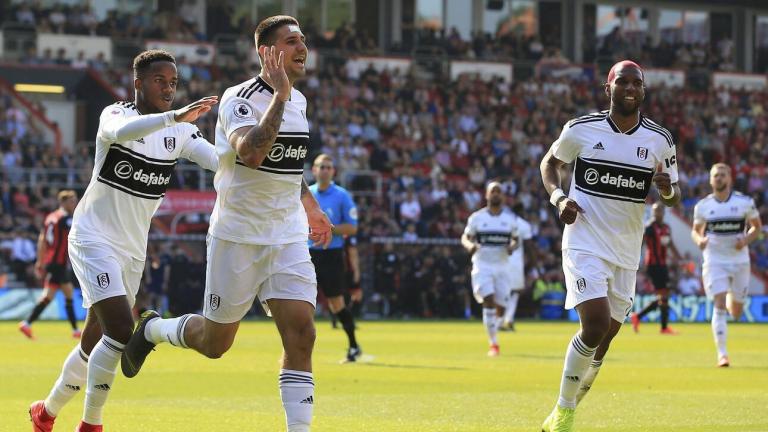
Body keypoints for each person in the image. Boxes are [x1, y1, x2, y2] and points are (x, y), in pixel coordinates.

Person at [120, 16, 332, 432]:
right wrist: (280, 95)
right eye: (291, 41)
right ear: (266, 52)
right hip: (238, 236)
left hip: (286, 236)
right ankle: (153, 330)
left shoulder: (300, 101)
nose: (302, 48)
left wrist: (309, 204)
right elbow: (252, 153)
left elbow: (288, 164)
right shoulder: (240, 99)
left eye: (303, 40)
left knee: (302, 333)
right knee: (215, 344)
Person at [28, 49, 219, 432]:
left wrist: (251, 158)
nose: (168, 89)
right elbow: (121, 134)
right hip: (93, 238)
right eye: (159, 81)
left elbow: (219, 162)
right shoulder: (116, 115)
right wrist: (174, 116)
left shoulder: (181, 132)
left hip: (132, 249)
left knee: (93, 340)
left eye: (173, 83)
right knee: (119, 330)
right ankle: (91, 425)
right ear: (138, 83)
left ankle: (45, 413)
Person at [539, 60, 680, 431]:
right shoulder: (581, 129)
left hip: (626, 251)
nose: (630, 88)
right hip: (584, 241)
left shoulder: (660, 140)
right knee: (596, 323)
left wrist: (666, 190)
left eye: (637, 83)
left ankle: (566, 407)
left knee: (606, 337)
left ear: (643, 90)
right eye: (623, 82)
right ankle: (564, 412)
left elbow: (673, 197)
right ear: (608, 88)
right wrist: (559, 198)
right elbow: (549, 164)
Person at [691, 163, 762, 367]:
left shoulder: (744, 202)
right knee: (719, 304)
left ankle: (733, 295)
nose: (719, 178)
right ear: (710, 180)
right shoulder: (703, 206)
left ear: (730, 178)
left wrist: (745, 240)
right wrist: (699, 240)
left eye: (723, 175)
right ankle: (722, 354)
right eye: (716, 175)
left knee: (736, 312)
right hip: (714, 260)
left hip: (739, 260)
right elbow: (695, 231)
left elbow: (757, 227)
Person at [308, 153, 361, 362]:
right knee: (301, 302)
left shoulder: (342, 195)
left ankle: (353, 346)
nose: (325, 170)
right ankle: (297, 350)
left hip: (332, 255)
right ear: (314, 170)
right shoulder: (307, 194)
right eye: (321, 167)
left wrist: (328, 229)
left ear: (334, 172)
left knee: (336, 303)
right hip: (308, 254)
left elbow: (352, 228)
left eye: (328, 167)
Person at [460, 181, 519, 357]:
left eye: (499, 191)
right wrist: (470, 246)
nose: (496, 194)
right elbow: (465, 237)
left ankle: (495, 325)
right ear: (486, 195)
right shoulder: (477, 218)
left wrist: (512, 246)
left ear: (503, 196)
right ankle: (493, 344)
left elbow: (516, 239)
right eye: (493, 191)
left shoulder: (509, 219)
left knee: (502, 306)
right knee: (488, 299)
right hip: (482, 265)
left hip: (502, 266)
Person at [19, 190, 80, 340]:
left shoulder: (50, 217)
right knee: (68, 293)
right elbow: (78, 234)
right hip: (59, 263)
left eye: (75, 201)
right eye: (71, 201)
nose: (74, 204)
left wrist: (40, 261)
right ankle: (75, 331)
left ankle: (27, 324)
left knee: (50, 295)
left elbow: (42, 240)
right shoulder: (66, 219)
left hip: (51, 261)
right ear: (63, 202)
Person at [631, 202, 681, 334]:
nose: (656, 213)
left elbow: (670, 244)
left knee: (664, 296)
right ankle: (663, 327)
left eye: (658, 210)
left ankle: (638, 317)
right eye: (654, 211)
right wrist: (635, 260)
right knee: (663, 295)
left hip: (662, 265)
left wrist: (680, 259)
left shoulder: (666, 228)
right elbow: (640, 243)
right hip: (653, 265)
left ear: (663, 212)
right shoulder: (649, 227)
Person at [501, 204, 533, 331]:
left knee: (504, 290)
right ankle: (507, 319)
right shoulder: (524, 225)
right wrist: (534, 264)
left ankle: (503, 320)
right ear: (521, 211)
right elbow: (529, 246)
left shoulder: (504, 222)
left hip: (501, 259)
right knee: (514, 292)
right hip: (515, 262)